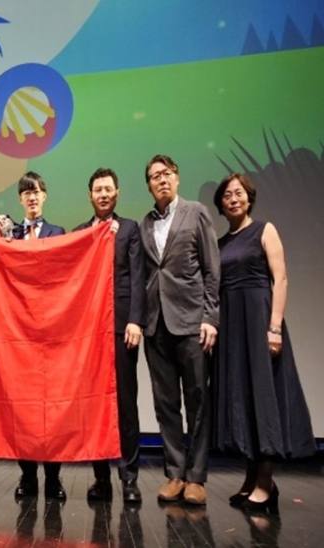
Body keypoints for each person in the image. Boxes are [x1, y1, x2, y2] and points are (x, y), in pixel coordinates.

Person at [212, 173, 315, 512]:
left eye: (238, 193)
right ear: (221, 204)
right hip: (232, 327)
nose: (233, 199)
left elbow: (280, 278)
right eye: (227, 195)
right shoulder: (222, 242)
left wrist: (273, 327)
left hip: (260, 322)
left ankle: (265, 484)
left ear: (249, 197)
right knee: (242, 399)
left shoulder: (265, 230)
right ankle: (250, 477)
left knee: (263, 397)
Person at [140, 154, 220, 505]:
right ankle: (175, 473)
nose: (161, 180)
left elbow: (211, 269)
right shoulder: (144, 224)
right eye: (155, 176)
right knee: (165, 403)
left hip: (191, 322)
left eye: (167, 174)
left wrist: (210, 317)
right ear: (149, 185)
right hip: (155, 325)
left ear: (177, 177)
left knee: (198, 400)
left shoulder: (196, 212)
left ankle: (197, 478)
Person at [0, 171, 67, 501]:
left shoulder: (59, 233)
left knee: (52, 409)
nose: (32, 197)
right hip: (18, 335)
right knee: (21, 407)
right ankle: (27, 477)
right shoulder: (11, 233)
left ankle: (53, 477)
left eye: (37, 192)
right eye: (26, 193)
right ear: (20, 200)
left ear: (45, 196)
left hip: (51, 334)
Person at [74, 168, 146, 504]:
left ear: (117, 193)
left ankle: (129, 478)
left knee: (125, 405)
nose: (103, 194)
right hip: (86, 335)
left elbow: (136, 278)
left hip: (119, 329)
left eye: (108, 189)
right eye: (97, 190)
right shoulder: (78, 233)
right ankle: (101, 479)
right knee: (93, 407)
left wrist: (135, 320)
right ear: (89, 195)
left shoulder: (130, 229)